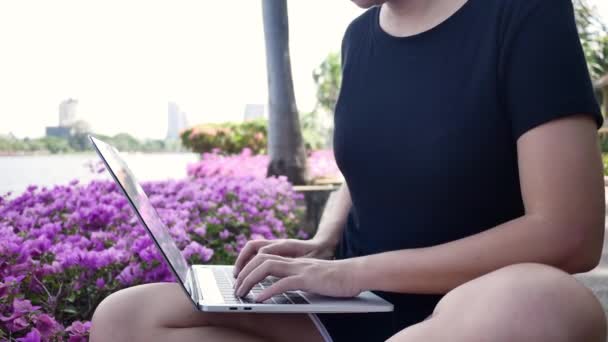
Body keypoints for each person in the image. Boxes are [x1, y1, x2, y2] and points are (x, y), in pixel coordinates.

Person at [90, 0, 608, 340]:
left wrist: (350, 272)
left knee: (540, 300)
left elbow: (569, 234)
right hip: (355, 308)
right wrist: (323, 243)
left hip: (474, 311)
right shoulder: (360, 37)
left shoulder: (523, 13)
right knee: (126, 318)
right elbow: (375, 161)